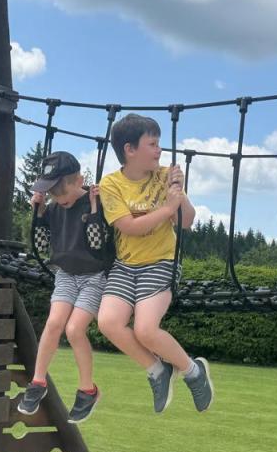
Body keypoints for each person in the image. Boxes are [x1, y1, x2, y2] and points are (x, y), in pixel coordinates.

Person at [96, 113, 215, 413]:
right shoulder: (111, 184)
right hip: (125, 266)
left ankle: (193, 372)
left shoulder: (164, 176)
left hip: (160, 262)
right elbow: (129, 227)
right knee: (108, 322)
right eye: (152, 144)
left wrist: (179, 194)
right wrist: (166, 208)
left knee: (145, 330)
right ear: (130, 149)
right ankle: (157, 369)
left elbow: (186, 221)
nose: (159, 150)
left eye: (159, 143)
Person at [17, 151, 114, 423]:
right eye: (53, 197)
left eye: (64, 196)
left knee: (74, 330)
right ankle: (38, 382)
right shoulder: (54, 208)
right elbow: (41, 245)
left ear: (79, 181)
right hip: (66, 275)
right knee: (53, 324)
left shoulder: (95, 203)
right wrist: (38, 211)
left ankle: (88, 390)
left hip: (94, 276)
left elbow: (97, 246)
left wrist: (94, 210)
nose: (60, 201)